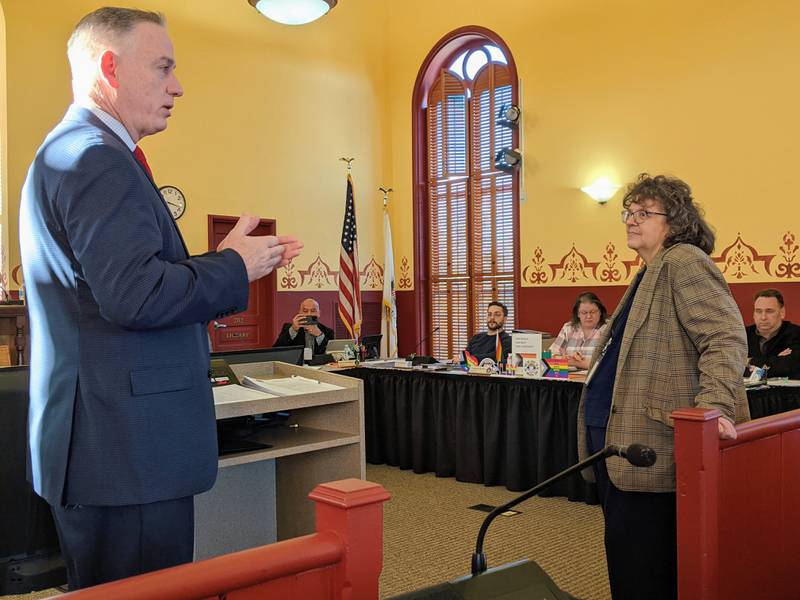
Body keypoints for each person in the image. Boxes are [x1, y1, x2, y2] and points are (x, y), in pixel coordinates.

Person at [18, 7, 302, 590]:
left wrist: (213, 263)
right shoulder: (97, 158)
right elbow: (136, 297)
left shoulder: (79, 149)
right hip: (126, 453)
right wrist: (234, 267)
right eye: (164, 67)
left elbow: (116, 287)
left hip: (110, 447)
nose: (178, 86)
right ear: (110, 68)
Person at [577, 174, 749, 600]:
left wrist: (714, 408)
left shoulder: (684, 261)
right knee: (627, 557)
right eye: (628, 213)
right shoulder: (648, 272)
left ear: (674, 221)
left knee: (644, 567)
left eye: (644, 213)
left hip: (654, 445)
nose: (631, 221)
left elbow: (724, 337)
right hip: (620, 444)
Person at [745, 289, 800, 378]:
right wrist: (776, 360)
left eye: (769, 311)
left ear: (782, 312)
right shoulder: (742, 335)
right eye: (759, 311)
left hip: (786, 391)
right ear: (754, 314)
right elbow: (730, 368)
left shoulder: (796, 334)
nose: (763, 317)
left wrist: (748, 361)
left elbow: (786, 368)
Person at [549, 291, 609, 369]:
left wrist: (573, 362)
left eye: (593, 312)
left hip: (595, 379)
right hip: (568, 378)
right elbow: (551, 356)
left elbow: (605, 364)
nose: (588, 316)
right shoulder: (569, 328)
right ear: (578, 314)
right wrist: (569, 357)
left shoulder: (608, 330)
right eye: (584, 313)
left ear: (600, 312)